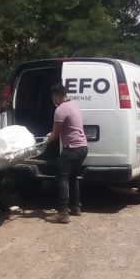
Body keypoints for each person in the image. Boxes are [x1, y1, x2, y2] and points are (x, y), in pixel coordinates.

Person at [45, 83, 88, 224]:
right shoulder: (73, 105)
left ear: (56, 96)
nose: (53, 100)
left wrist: (48, 138)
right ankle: (76, 207)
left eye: (53, 97)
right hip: (83, 148)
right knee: (73, 177)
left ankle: (63, 213)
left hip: (72, 149)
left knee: (62, 178)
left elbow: (56, 134)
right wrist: (52, 135)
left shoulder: (60, 109)